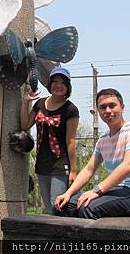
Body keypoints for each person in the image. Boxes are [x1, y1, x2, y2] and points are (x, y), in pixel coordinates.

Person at [54, 88, 130, 219]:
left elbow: (128, 166)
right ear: (98, 111)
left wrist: (96, 191)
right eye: (103, 107)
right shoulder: (103, 140)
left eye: (112, 106)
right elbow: (89, 170)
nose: (108, 111)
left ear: (122, 107)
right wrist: (68, 193)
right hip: (115, 190)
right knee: (63, 206)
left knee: (88, 208)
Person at [20, 66, 79, 214]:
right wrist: (26, 102)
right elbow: (25, 124)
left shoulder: (70, 109)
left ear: (68, 87)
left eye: (63, 82)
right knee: (49, 207)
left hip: (60, 165)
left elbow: (70, 141)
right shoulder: (40, 103)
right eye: (55, 81)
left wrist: (73, 171)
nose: (58, 85)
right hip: (42, 164)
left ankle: (62, 236)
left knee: (57, 206)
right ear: (50, 83)